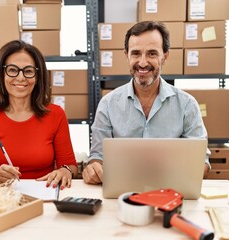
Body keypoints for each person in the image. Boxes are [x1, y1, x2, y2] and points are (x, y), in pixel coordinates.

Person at [82, 21, 211, 185]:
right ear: (126, 55)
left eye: (152, 54)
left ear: (165, 56)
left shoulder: (187, 104)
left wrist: (188, 171)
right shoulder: (108, 104)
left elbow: (202, 163)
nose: (142, 63)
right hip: (122, 195)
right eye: (136, 53)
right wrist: (93, 168)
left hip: (171, 194)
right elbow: (97, 157)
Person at [0, 40, 77, 190]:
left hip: (46, 193)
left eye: (28, 71)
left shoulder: (56, 114)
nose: (21, 78)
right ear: (1, 74)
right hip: (6, 195)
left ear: (37, 77)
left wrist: (65, 171)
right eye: (12, 70)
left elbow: (70, 165)